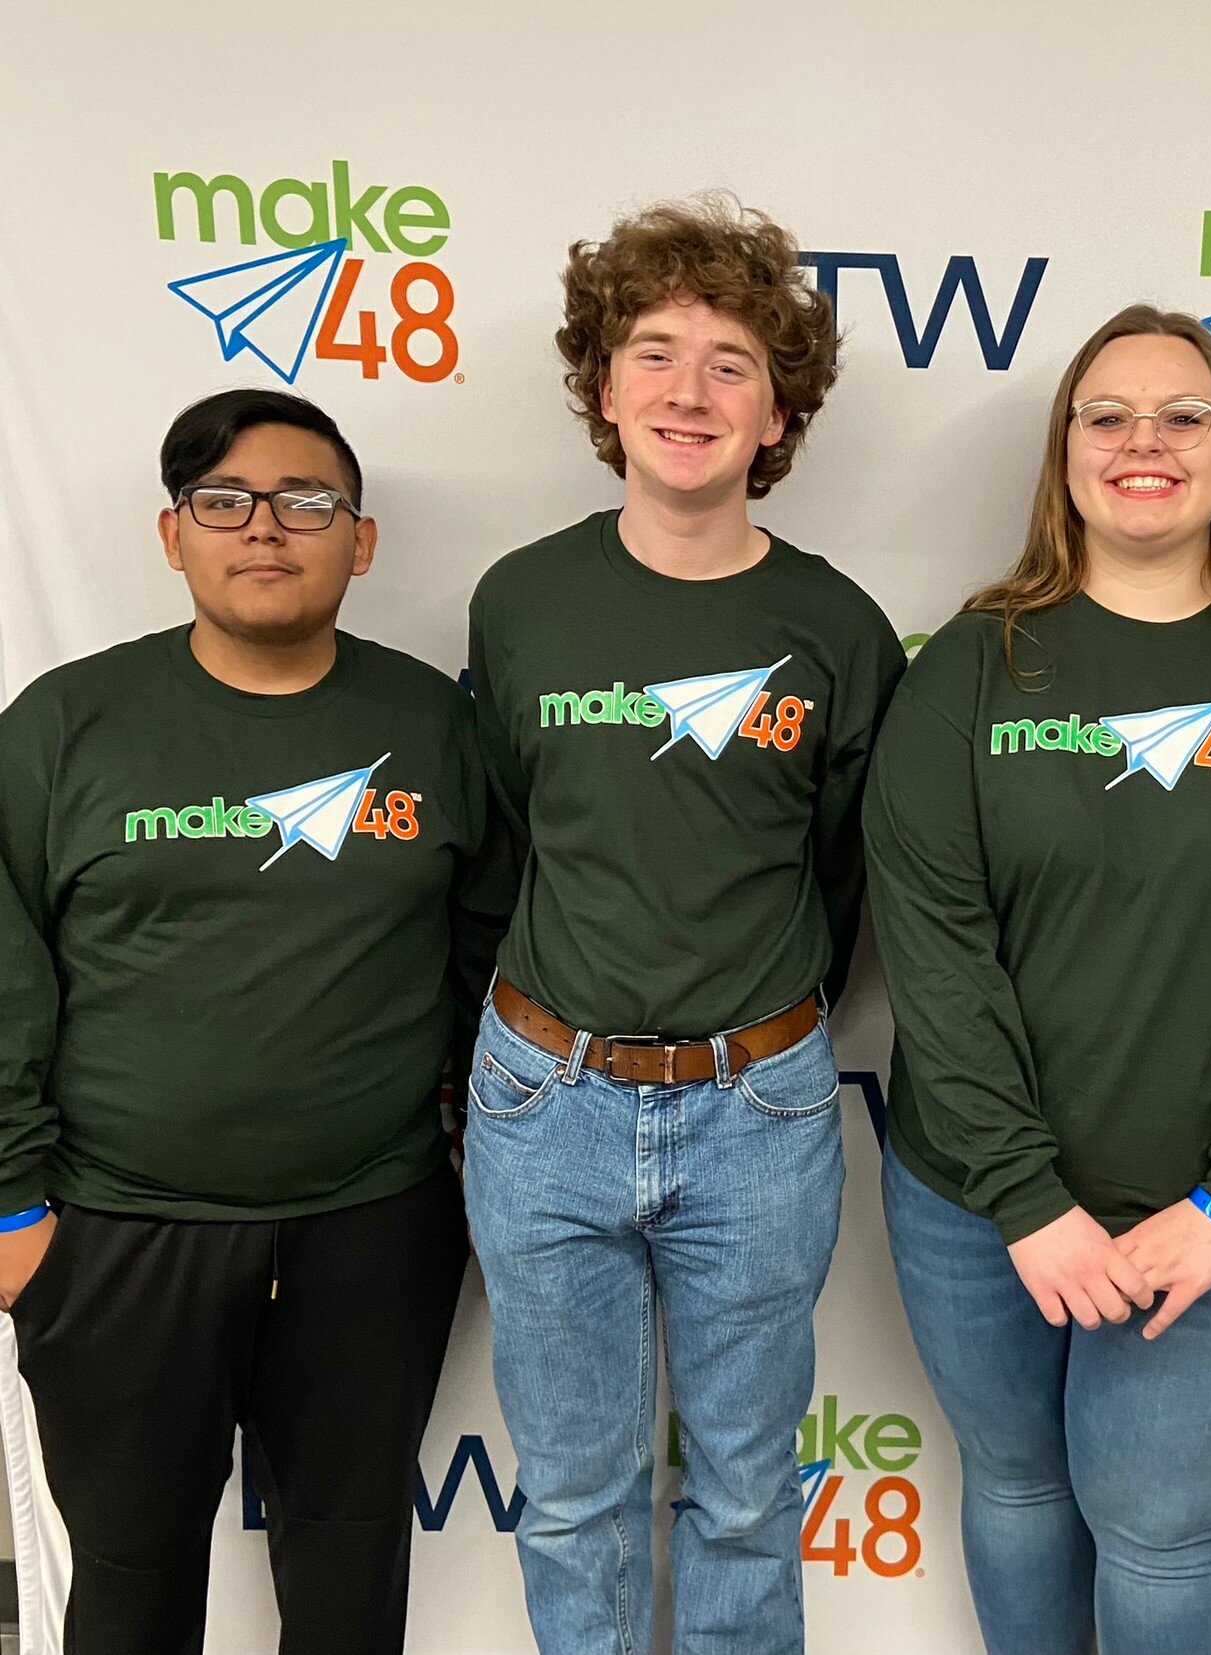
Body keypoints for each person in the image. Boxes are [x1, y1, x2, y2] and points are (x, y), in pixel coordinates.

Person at [864, 305, 1211, 1655]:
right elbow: (935, 943)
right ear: (1062, 452)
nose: (1143, 442)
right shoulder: (972, 667)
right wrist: (1020, 1194)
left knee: (1163, 1532)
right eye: (1105, 414)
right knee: (1013, 1484)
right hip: (973, 1204)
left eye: (1182, 413)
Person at [463, 195, 906, 1654]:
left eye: (730, 362)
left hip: (760, 1107)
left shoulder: (838, 628)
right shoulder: (521, 600)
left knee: (743, 1493)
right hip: (543, 1096)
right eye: (653, 352)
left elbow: (843, 871)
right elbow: (512, 835)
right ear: (602, 387)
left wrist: (755, 1021)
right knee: (578, 1493)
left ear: (778, 412)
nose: (688, 391)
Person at [0, 388, 507, 1655]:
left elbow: (490, 951)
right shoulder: (64, 727)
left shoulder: (433, 723)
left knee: (348, 1593)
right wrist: (13, 1207)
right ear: (175, 537)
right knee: (128, 1590)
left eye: (307, 501)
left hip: (371, 1232)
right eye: (223, 502)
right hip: (118, 1237)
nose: (265, 527)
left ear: (363, 538)